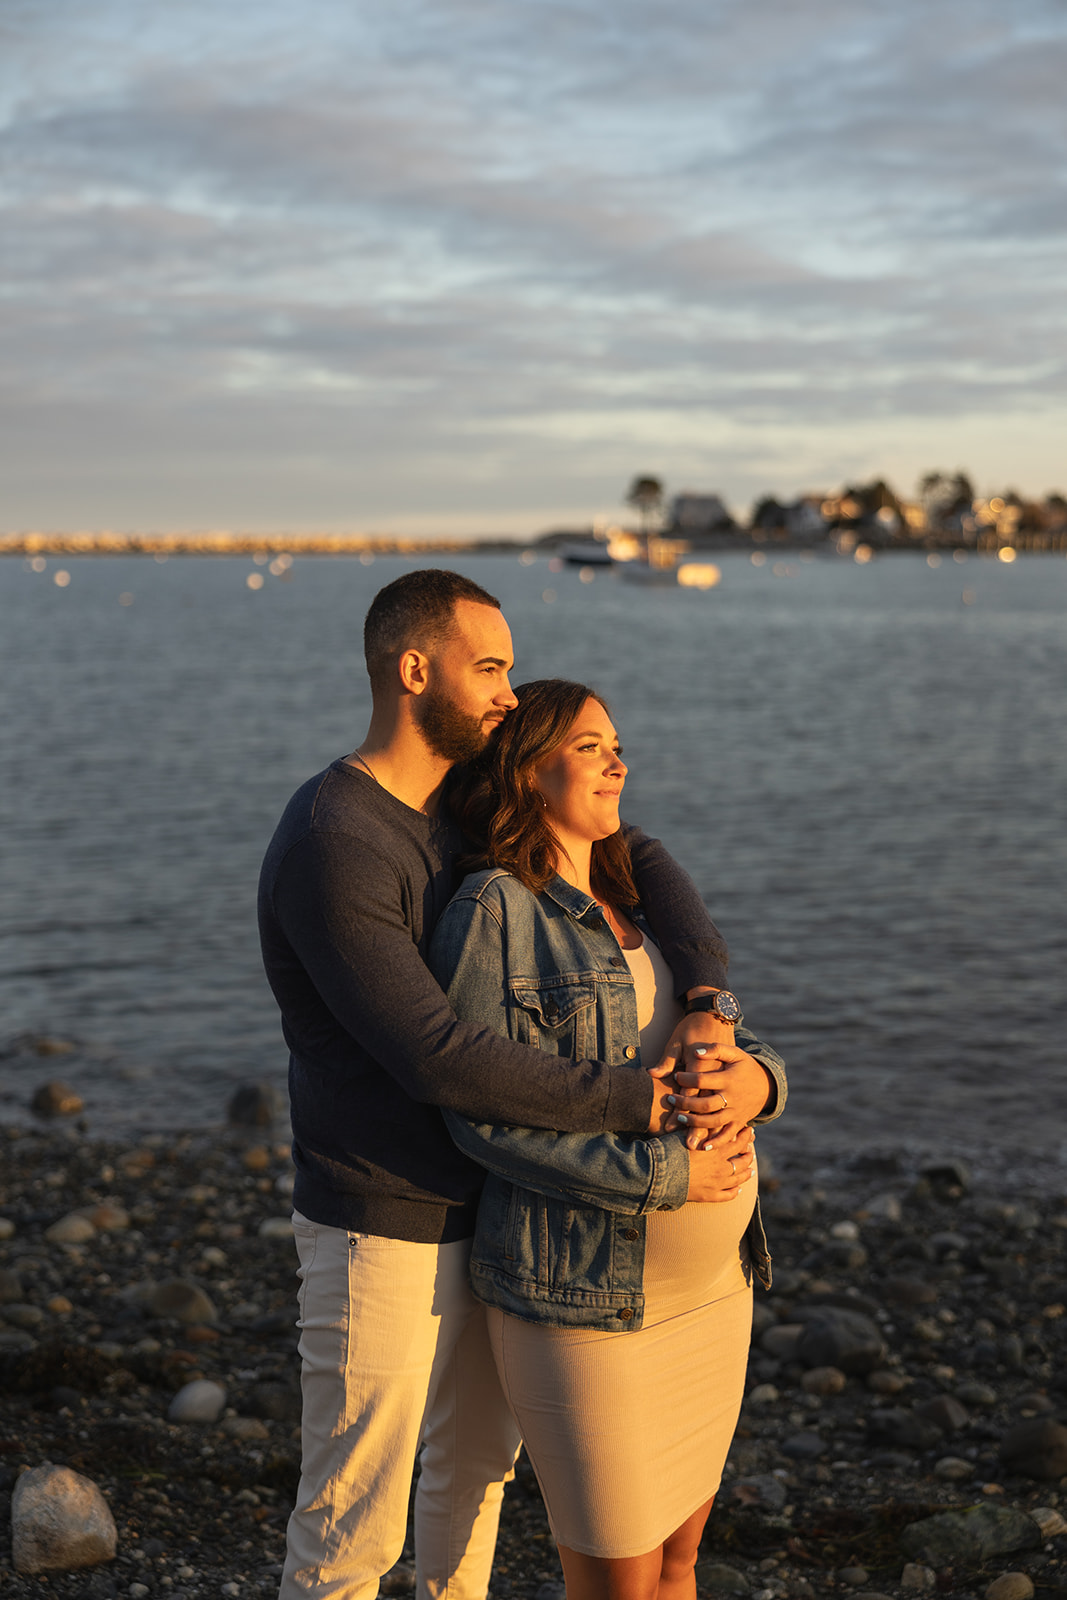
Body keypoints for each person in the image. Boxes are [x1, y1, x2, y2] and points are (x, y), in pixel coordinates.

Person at [258, 569, 784, 1600]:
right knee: (352, 1520)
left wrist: (708, 995)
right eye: (487, 666)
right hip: (385, 1217)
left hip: (492, 1218)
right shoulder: (338, 838)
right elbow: (437, 1055)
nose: (505, 690)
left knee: (473, 1481)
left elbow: (643, 856)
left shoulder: (451, 808)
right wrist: (638, 1106)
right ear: (415, 670)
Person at [429, 678, 785, 1600]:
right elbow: (482, 1116)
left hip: (714, 1289)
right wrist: (669, 1176)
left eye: (616, 743)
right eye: (590, 746)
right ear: (526, 768)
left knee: (678, 1564)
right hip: (585, 1303)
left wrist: (760, 1077)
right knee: (617, 1585)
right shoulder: (494, 911)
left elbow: (706, 1047)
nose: (618, 760)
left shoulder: (634, 894)